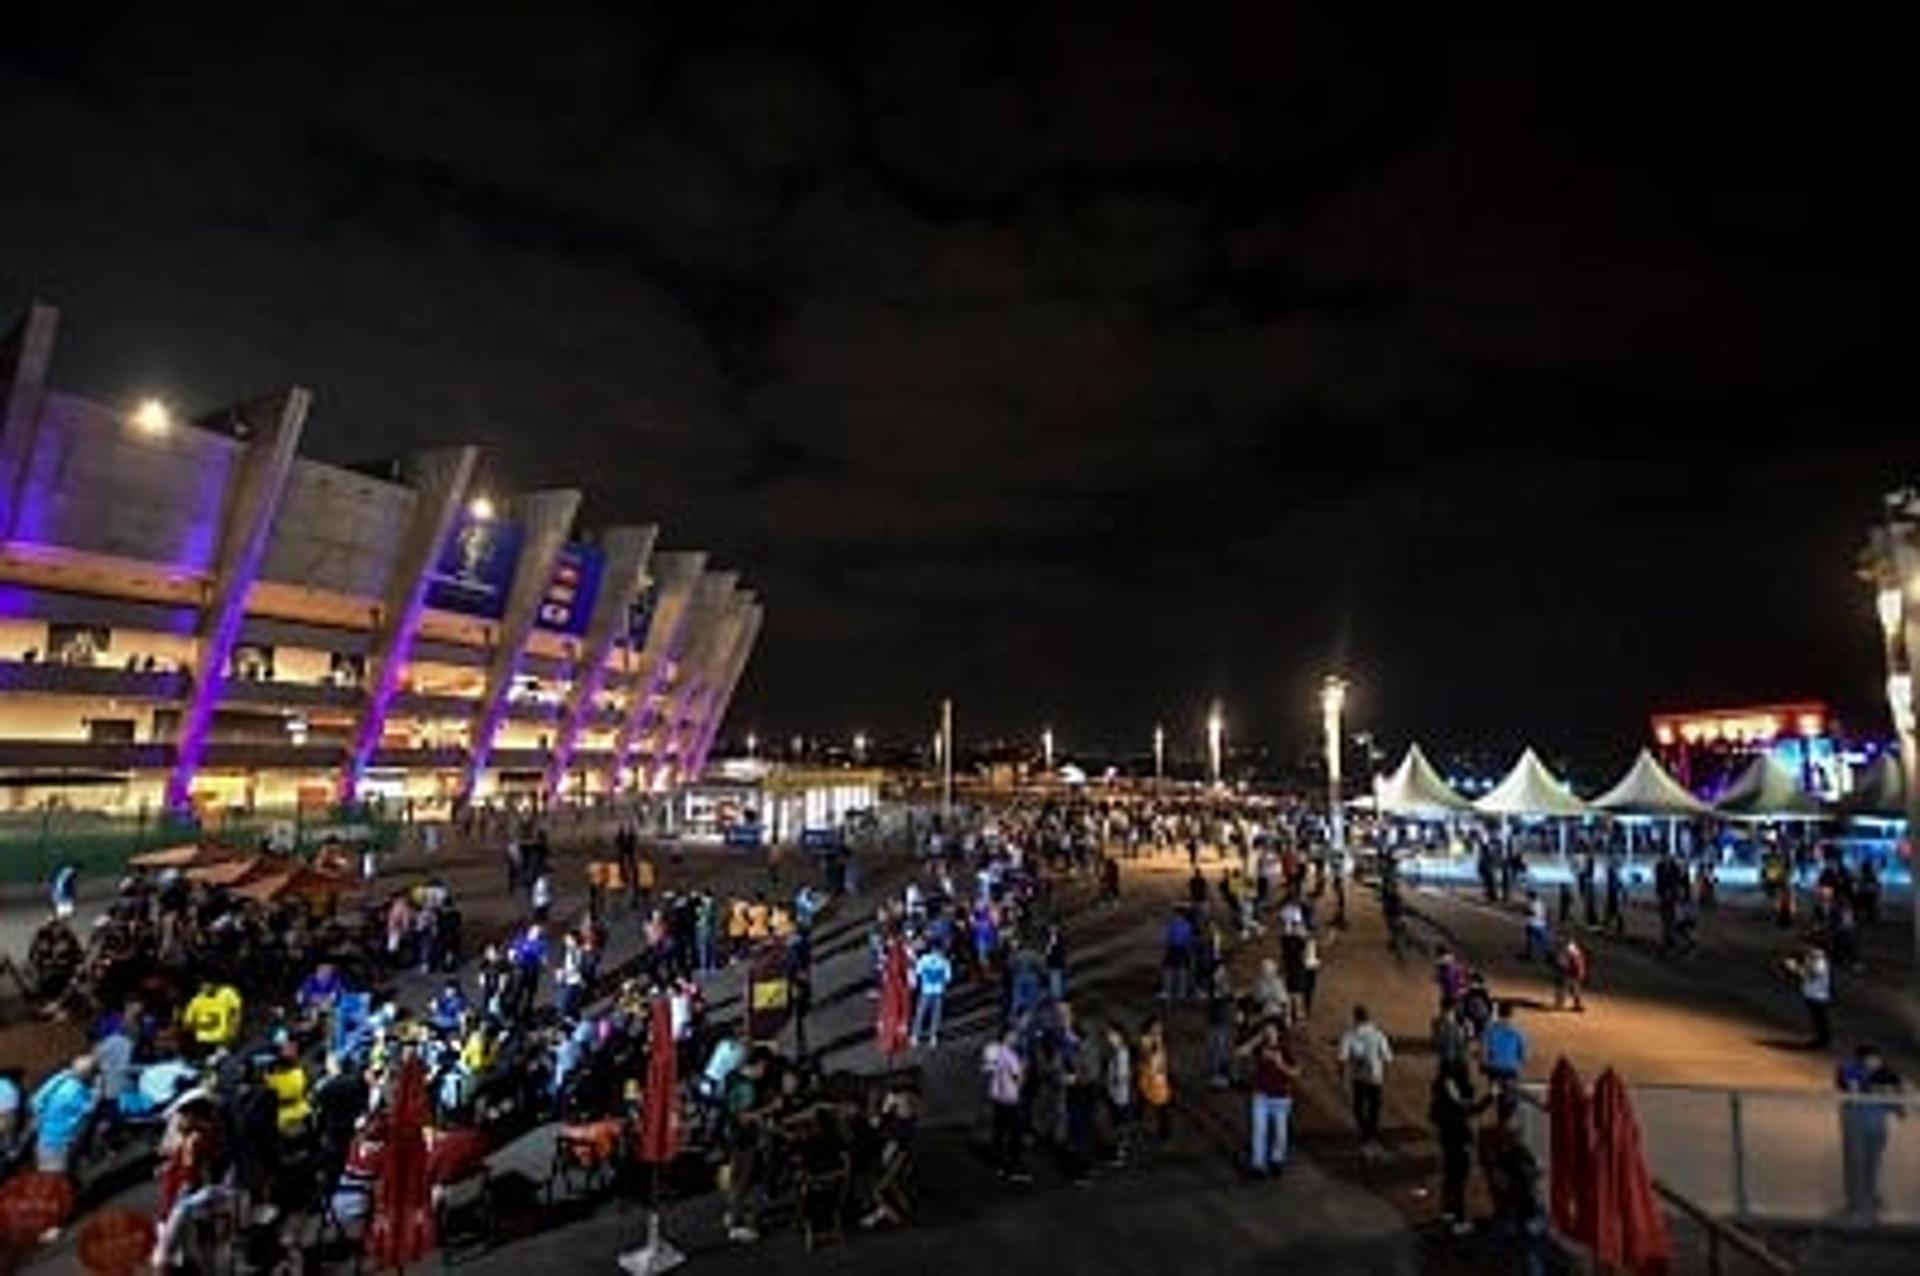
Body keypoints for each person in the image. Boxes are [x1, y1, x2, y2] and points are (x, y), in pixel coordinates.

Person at [1836, 1043, 1905, 1221]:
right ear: (1860, 1059)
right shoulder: (1848, 1070)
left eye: (1877, 1058)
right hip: (1854, 1126)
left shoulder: (1889, 1074)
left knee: (1872, 1163)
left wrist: (1897, 1105)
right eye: (1870, 1058)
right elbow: (1852, 1089)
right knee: (1854, 1163)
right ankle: (1854, 1204)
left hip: (1876, 1127)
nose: (1875, 1061)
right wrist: (1877, 1090)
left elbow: (1897, 1102)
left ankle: (1870, 1197)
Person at [1430, 1062, 1488, 1235]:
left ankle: (1448, 1213)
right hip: (1457, 1144)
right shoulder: (1450, 1103)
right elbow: (1470, 1109)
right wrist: (1490, 1097)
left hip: (1449, 1143)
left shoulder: (1439, 1100)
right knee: (1458, 1182)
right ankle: (1458, 1219)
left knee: (1450, 1179)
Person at [1236, 1020, 1299, 1178]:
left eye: (1272, 1031)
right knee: (1259, 1131)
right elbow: (1239, 1052)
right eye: (1266, 1031)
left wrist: (1281, 1064)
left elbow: (1296, 1072)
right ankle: (1258, 1165)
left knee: (1280, 1133)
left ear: (1278, 1033)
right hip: (1261, 1096)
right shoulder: (1259, 1048)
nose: (1269, 1034)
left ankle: (1276, 1160)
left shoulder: (1285, 1049)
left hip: (1281, 1098)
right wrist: (1256, 1039)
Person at [30, 1053, 99, 1175]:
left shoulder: (60, 1080)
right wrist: (97, 1090)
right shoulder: (77, 1092)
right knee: (56, 1180)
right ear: (89, 1075)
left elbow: (35, 1102)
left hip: (45, 1140)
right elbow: (89, 1111)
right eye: (95, 1074)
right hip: (60, 1142)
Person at [1338, 1004, 1393, 1156]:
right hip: (1375, 1077)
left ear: (1355, 1018)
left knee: (1358, 1106)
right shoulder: (1378, 1034)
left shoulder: (1349, 1035)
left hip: (1359, 1078)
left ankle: (1365, 1132)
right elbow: (1388, 1058)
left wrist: (1342, 1078)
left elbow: (1342, 1059)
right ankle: (1371, 1133)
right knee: (1374, 1107)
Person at [981, 1028, 1030, 1182]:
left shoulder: (994, 1050)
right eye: (1014, 1035)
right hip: (1011, 1099)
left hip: (997, 1098)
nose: (1016, 1038)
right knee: (1015, 1135)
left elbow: (986, 1069)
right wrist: (1024, 1070)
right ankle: (1014, 1168)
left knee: (999, 1133)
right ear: (1007, 1037)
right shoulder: (1011, 1056)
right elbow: (1019, 1079)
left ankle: (999, 1165)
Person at [182, 977, 243, 1056]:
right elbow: (188, 1022)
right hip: (204, 1040)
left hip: (221, 1039)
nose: (206, 987)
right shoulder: (196, 1001)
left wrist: (234, 1028)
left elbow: (236, 1011)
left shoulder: (227, 993)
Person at [1787, 945, 1833, 1048]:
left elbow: (1811, 975)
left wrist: (1795, 968)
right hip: (1812, 993)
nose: (1806, 949)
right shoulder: (1813, 958)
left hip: (1818, 995)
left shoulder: (1819, 961)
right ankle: (1821, 1039)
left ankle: (1822, 1041)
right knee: (1817, 1019)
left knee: (1820, 1019)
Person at [1136, 1017, 1172, 1146]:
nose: (1159, 1030)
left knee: (1162, 1109)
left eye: (1159, 1027)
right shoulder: (1146, 1040)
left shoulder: (1158, 1040)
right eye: (1156, 1027)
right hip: (1149, 1080)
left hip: (1159, 1081)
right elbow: (1147, 1058)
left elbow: (1161, 1059)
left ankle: (1163, 1133)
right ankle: (1138, 1129)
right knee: (1144, 1106)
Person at [1481, 1002, 1528, 1097]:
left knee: (1492, 1076)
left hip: (1494, 1066)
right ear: (1512, 1014)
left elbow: (1484, 1049)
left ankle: (1493, 1089)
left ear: (1498, 1013)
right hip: (1511, 1067)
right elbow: (1523, 1053)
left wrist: (1483, 1063)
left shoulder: (1490, 1029)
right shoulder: (1518, 1031)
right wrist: (1520, 1065)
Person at [911, 944, 953, 1048]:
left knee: (922, 1014)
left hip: (927, 991)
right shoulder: (944, 961)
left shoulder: (925, 959)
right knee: (934, 1015)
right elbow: (948, 978)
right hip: (937, 992)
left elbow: (918, 972)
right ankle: (931, 1036)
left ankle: (917, 1035)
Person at [1554, 936, 1588, 1012]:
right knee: (1571, 987)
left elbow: (1564, 961)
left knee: (1565, 987)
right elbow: (1578, 961)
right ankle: (1565, 1003)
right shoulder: (1573, 949)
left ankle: (1561, 1003)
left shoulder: (1568, 949)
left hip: (1570, 970)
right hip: (1571, 970)